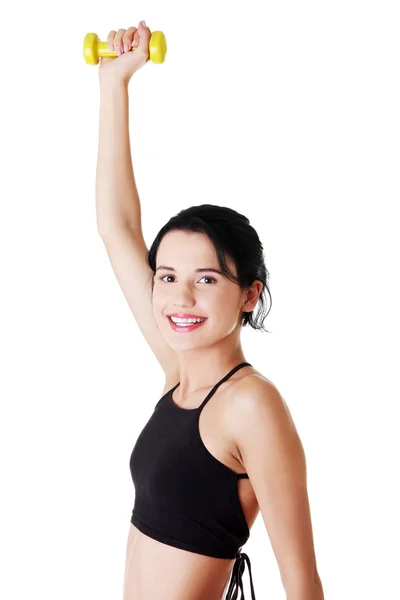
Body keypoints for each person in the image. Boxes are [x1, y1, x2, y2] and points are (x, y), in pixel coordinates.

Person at [96, 20, 324, 600]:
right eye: (167, 276)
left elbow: (302, 582)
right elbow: (117, 227)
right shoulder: (179, 371)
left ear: (249, 294)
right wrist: (114, 87)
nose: (180, 297)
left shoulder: (250, 404)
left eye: (206, 278)